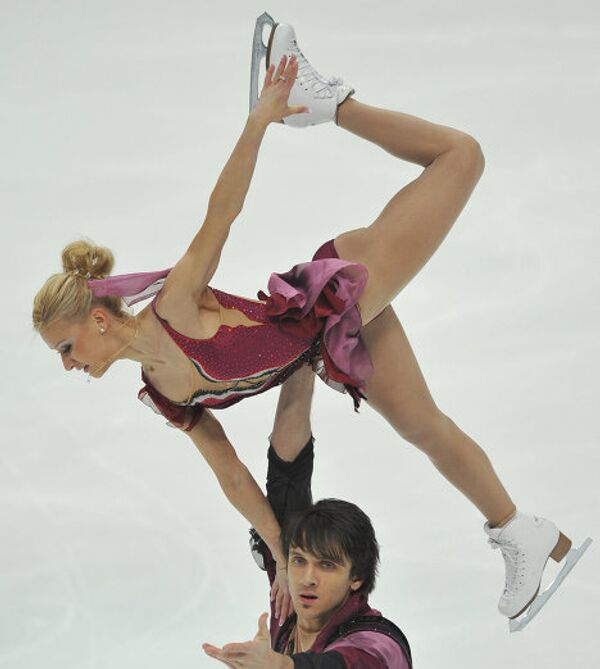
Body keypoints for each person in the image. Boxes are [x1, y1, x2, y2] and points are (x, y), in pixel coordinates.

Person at [31, 17, 582, 629]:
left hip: (336, 289)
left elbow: (223, 212)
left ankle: (328, 103)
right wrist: (279, 556)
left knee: (461, 156)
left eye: (66, 345)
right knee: (423, 427)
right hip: (329, 344)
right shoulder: (165, 392)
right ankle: (520, 530)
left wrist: (260, 120)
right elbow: (235, 478)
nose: (67, 362)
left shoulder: (177, 307)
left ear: (100, 320)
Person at [203, 365, 453, 669]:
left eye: (327, 566)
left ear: (356, 576)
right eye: (298, 561)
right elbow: (288, 471)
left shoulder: (376, 646)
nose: (307, 578)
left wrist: (276, 666)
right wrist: (300, 360)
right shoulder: (288, 602)